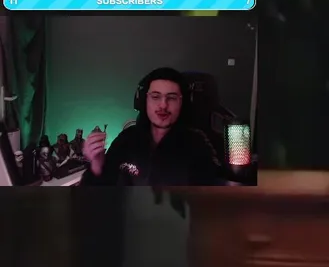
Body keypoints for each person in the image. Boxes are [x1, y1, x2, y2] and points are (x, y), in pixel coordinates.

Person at [79, 67, 226, 187]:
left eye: (172, 97)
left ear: (182, 103)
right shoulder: (126, 139)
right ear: (144, 100)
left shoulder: (197, 145)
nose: (163, 105)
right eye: (155, 96)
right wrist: (97, 165)